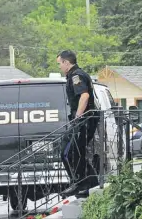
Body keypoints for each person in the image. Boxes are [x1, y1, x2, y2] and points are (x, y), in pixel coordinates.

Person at [56, 50, 100, 197]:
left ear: (66, 63)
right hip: (85, 120)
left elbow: (85, 95)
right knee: (77, 152)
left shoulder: (76, 76)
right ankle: (89, 183)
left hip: (84, 120)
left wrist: (78, 117)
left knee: (67, 152)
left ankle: (78, 183)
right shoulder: (75, 75)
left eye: (60, 64)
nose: (59, 67)